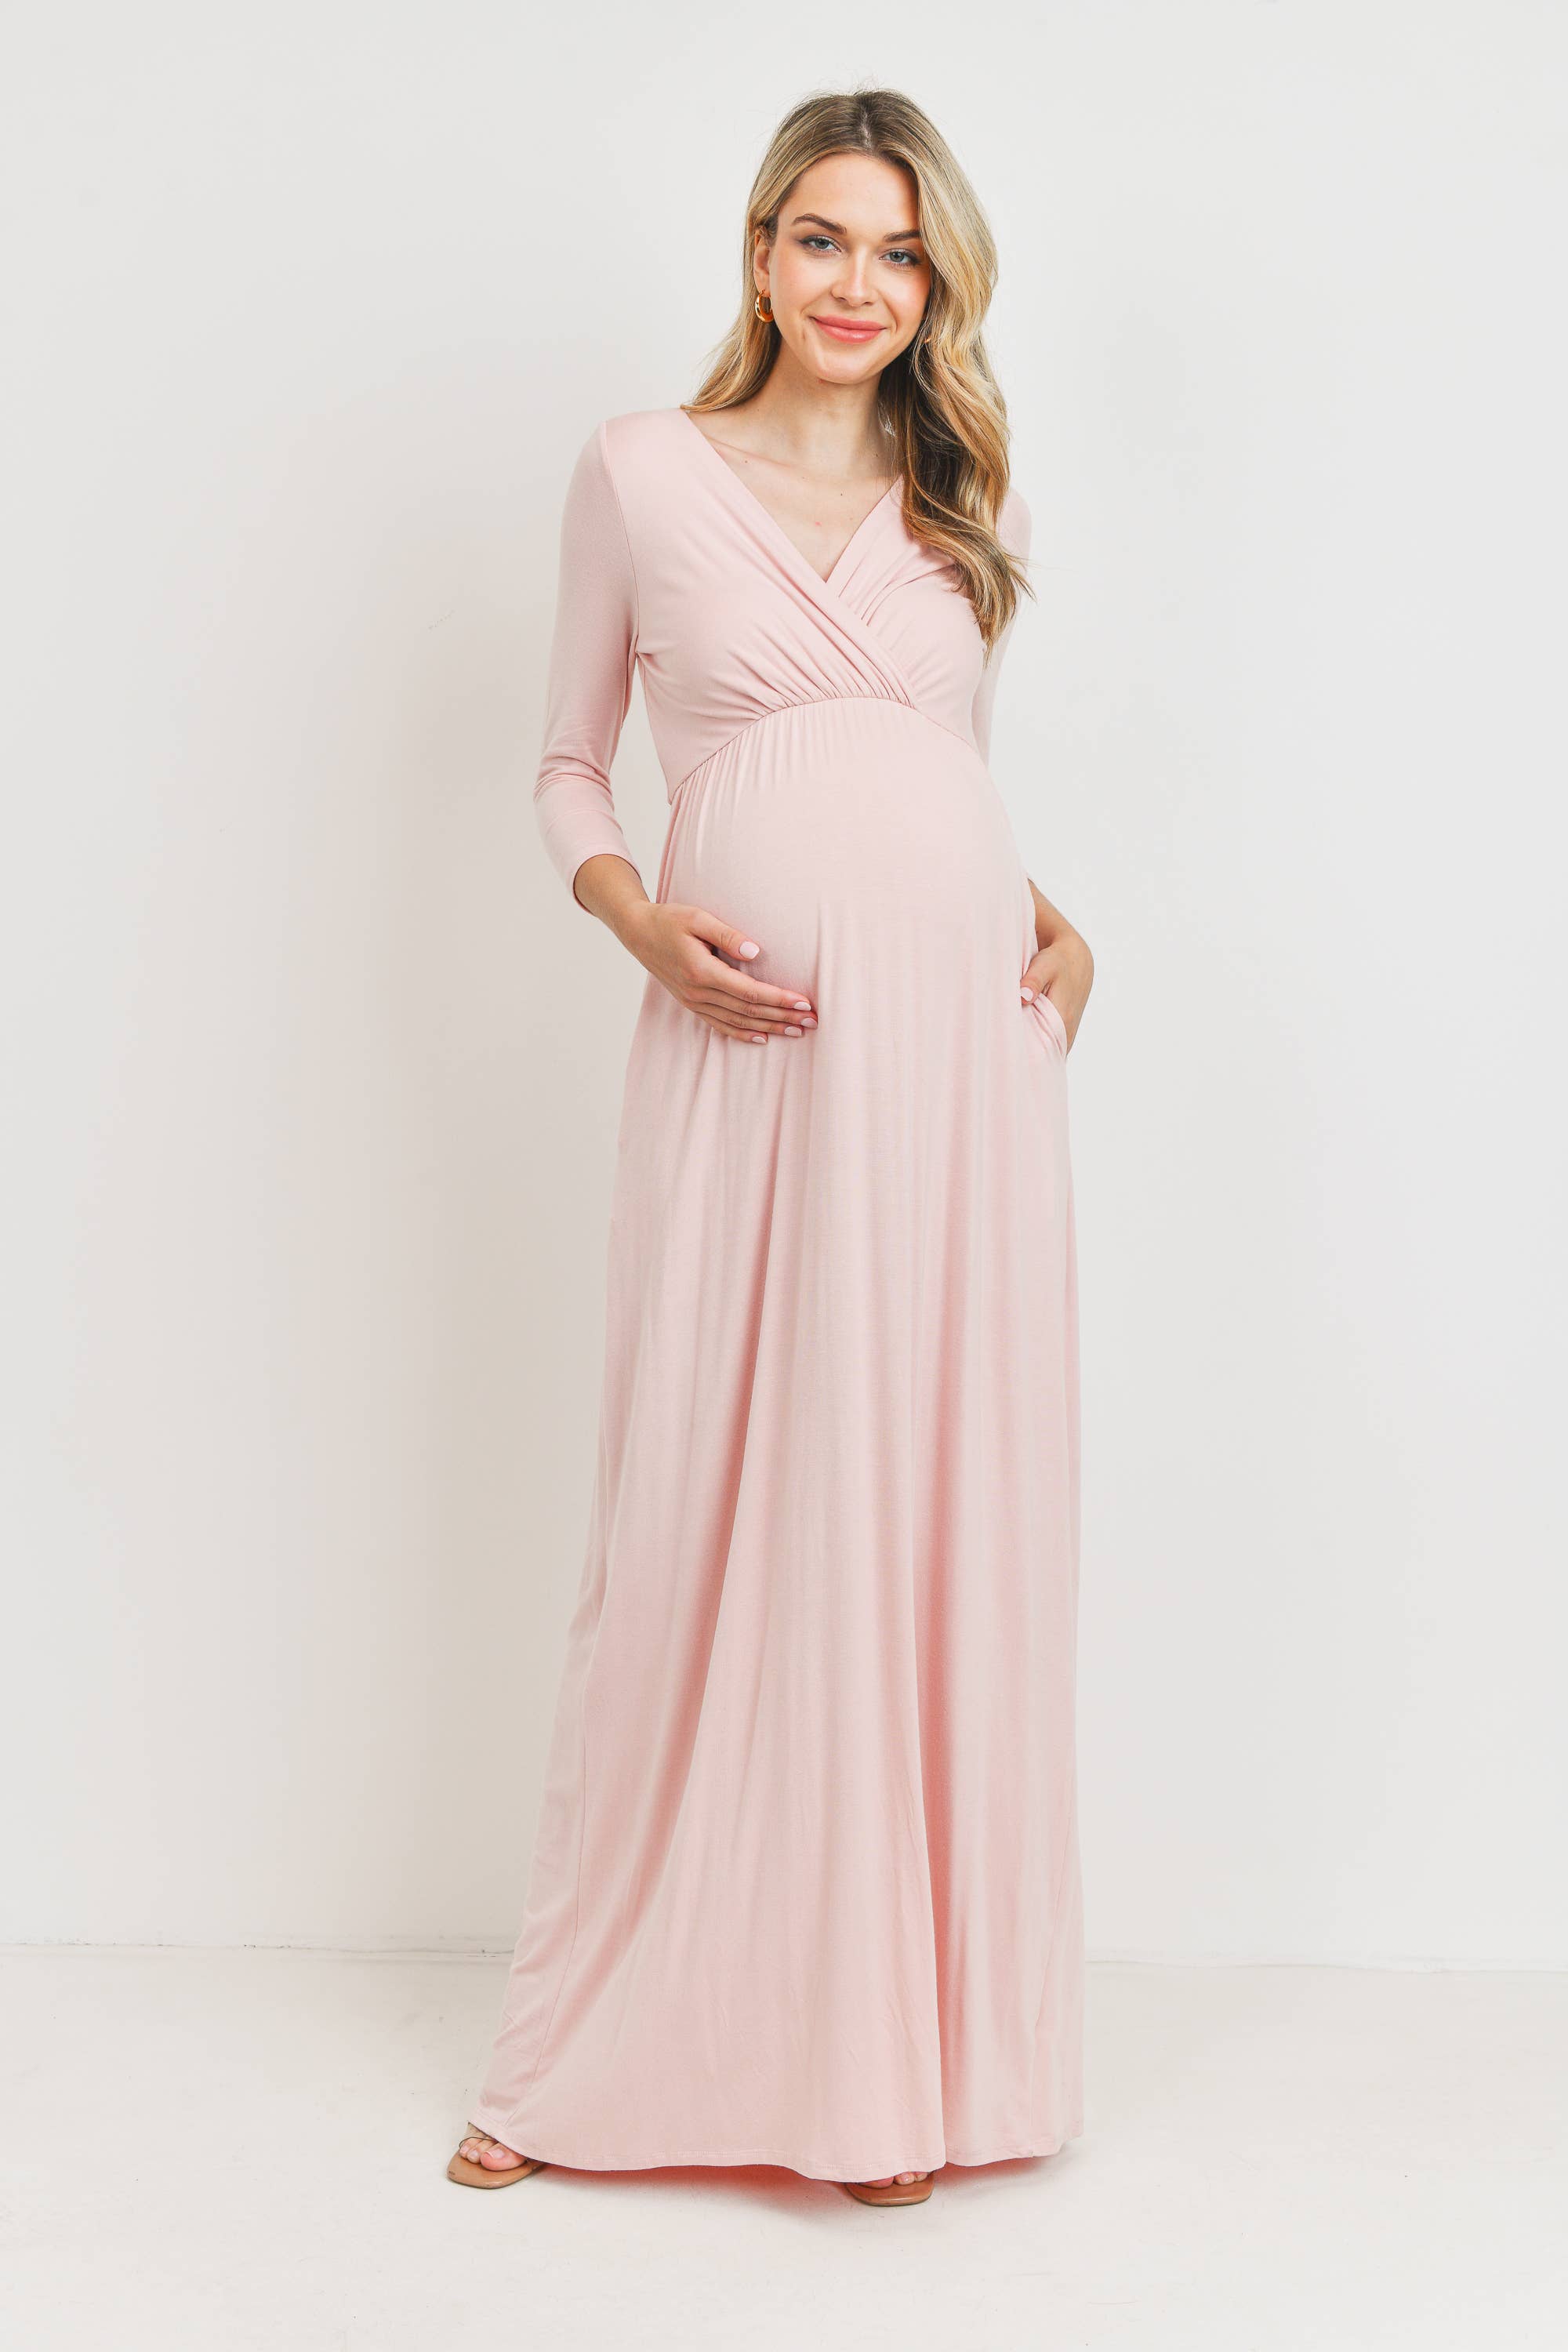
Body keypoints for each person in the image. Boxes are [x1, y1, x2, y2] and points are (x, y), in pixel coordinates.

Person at [448, 85, 1093, 2210]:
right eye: (824, 239)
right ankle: (586, 2057)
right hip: (750, 1049)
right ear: (759, 251)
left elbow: (942, 774)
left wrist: (1057, 925)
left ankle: (894, 2075)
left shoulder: (963, 495)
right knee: (703, 1506)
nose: (858, 285)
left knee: (918, 1510)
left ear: (937, 284)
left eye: (900, 253)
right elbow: (569, 762)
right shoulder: (643, 472)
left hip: (963, 1068)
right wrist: (640, 923)